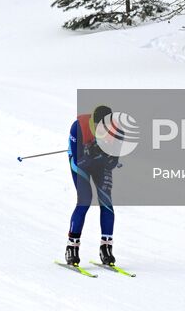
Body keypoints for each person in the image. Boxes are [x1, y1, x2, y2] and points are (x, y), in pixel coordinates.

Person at [65, 105, 119, 268]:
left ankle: (106, 248)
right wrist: (90, 152)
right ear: (92, 123)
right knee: (85, 200)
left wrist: (103, 154)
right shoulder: (78, 127)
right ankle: (72, 247)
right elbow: (78, 160)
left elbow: (113, 162)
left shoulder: (116, 131)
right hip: (79, 163)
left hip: (99, 163)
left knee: (106, 202)